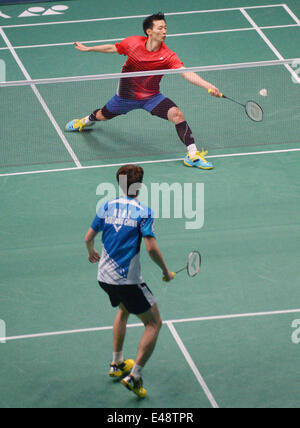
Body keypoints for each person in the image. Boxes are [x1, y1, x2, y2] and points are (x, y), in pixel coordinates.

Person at [66, 12, 222, 170]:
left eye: (165, 28)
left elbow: (186, 73)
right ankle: (85, 121)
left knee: (177, 115)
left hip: (151, 98)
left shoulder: (167, 56)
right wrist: (89, 49)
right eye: (160, 28)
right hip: (125, 97)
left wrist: (207, 85)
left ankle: (193, 155)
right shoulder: (133, 43)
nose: (164, 31)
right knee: (102, 116)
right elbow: (113, 47)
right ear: (149, 31)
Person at [85, 164, 174, 398]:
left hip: (104, 278)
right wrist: (166, 271)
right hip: (127, 280)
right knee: (154, 323)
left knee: (123, 310)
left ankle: (116, 363)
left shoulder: (106, 205)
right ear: (140, 186)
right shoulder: (142, 211)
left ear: (120, 184)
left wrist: (90, 250)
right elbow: (151, 248)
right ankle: (134, 377)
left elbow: (88, 237)